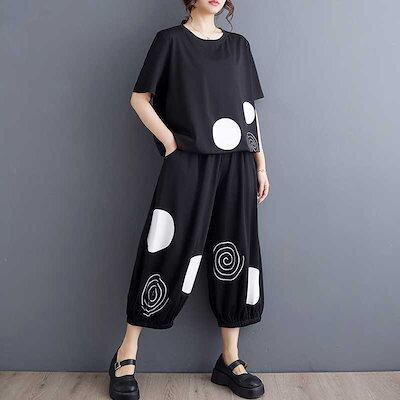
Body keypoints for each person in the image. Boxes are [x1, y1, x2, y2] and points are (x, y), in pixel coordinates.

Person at [108, 1, 270, 399]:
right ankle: (126, 353)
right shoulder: (170, 41)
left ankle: (230, 359)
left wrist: (261, 164)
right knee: (166, 247)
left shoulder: (239, 46)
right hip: (188, 161)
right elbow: (139, 98)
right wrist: (170, 143)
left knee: (237, 251)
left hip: (237, 163)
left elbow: (248, 111)